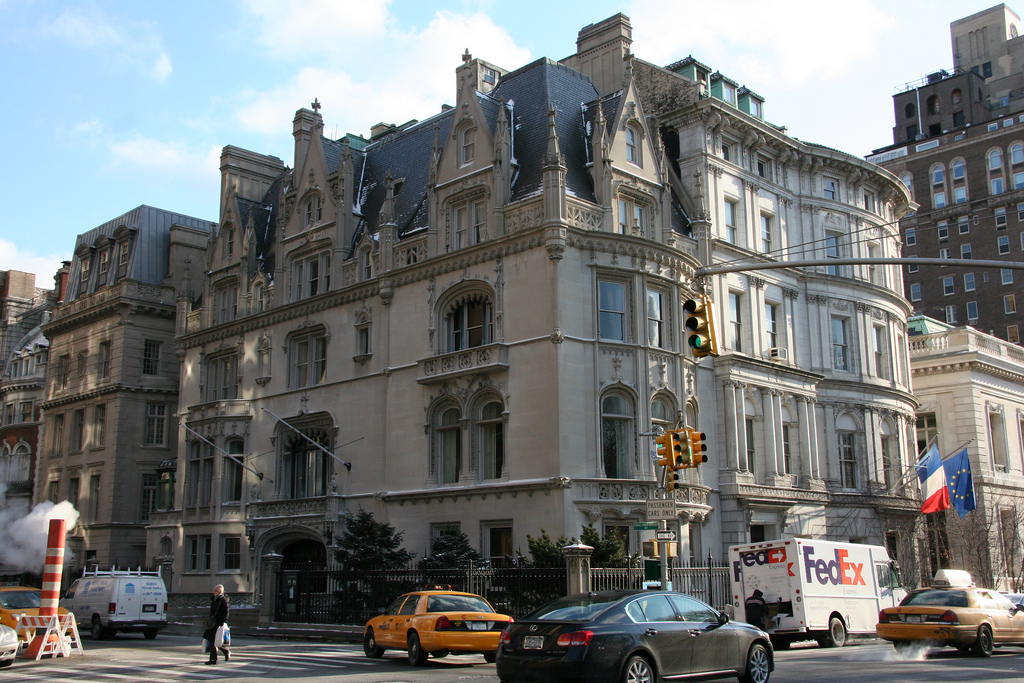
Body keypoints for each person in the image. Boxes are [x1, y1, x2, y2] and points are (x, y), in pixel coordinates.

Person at [204, 584, 230, 665]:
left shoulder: (222, 600)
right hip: (212, 623)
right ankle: (213, 659)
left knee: (216, 641)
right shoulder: (213, 599)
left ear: (219, 592)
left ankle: (225, 652)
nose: (213, 592)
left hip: (218, 623)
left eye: (215, 591)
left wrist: (223, 622)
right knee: (211, 641)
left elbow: (226, 612)